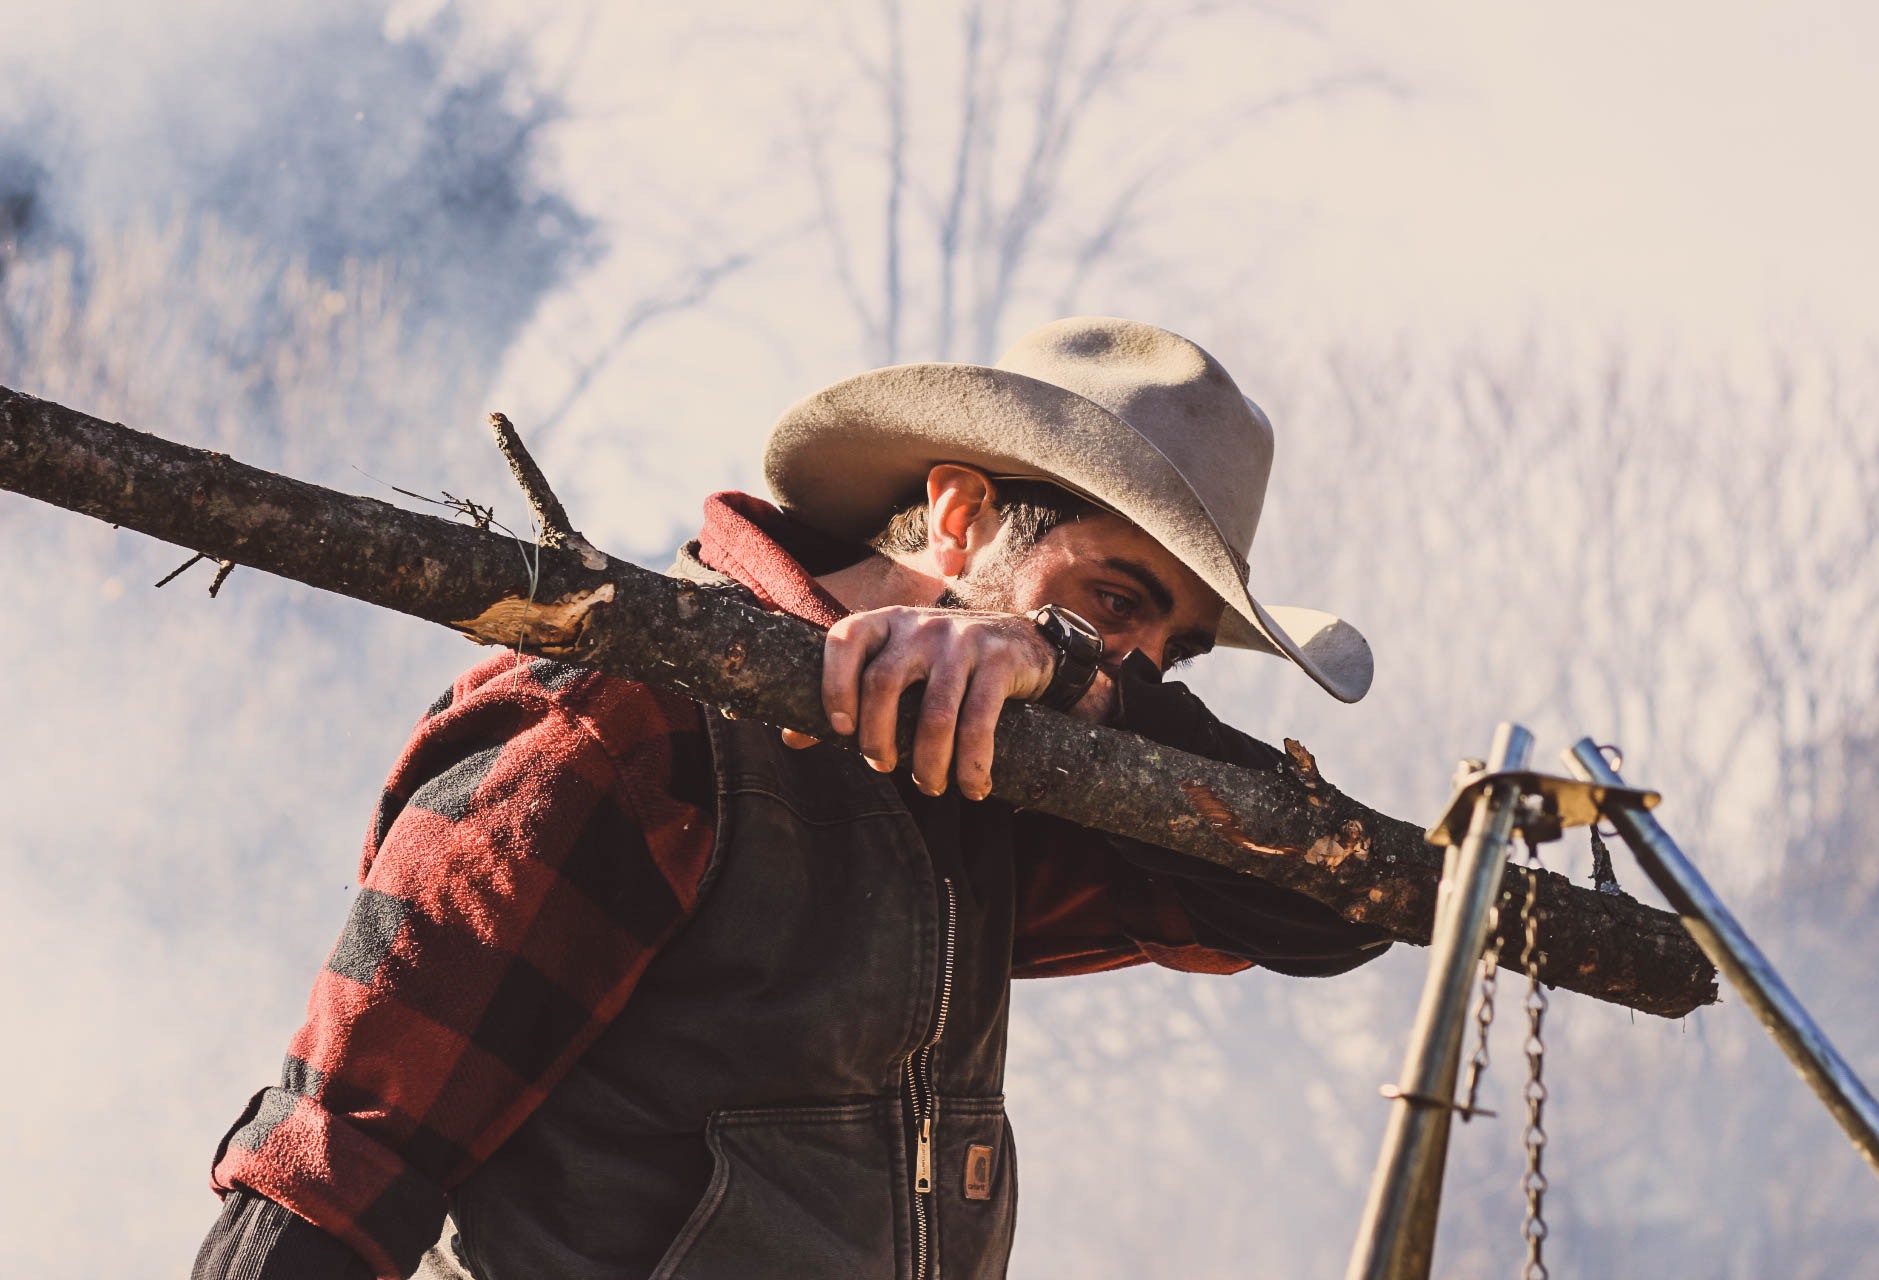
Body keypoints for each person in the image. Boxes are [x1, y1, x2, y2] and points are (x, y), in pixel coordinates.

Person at [192, 316, 1391, 1280]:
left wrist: (1079, 671)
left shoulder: (996, 776)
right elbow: (336, 1163)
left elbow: (1338, 908)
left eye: (1164, 657)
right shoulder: (625, 725)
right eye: (1112, 603)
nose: (1130, 668)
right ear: (961, 515)